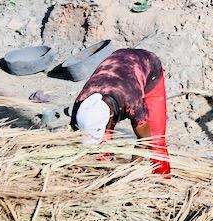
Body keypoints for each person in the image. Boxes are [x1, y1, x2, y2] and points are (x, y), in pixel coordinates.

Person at [71, 47, 172, 176]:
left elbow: (144, 140)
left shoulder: (132, 102)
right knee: (103, 143)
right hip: (117, 65)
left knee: (155, 139)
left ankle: (162, 181)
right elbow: (74, 138)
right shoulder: (82, 104)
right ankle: (100, 174)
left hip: (147, 66)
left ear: (111, 115)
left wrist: (129, 173)